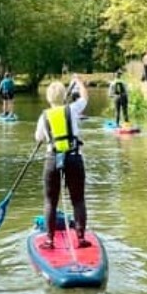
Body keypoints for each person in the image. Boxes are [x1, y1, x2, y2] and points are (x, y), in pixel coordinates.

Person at [34, 78, 90, 250]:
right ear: (65, 96)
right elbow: (85, 98)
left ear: (49, 99)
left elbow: (39, 138)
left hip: (52, 159)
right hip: (74, 158)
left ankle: (50, 240)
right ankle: (80, 238)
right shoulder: (72, 109)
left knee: (50, 201)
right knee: (78, 200)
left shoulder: (44, 117)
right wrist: (79, 82)